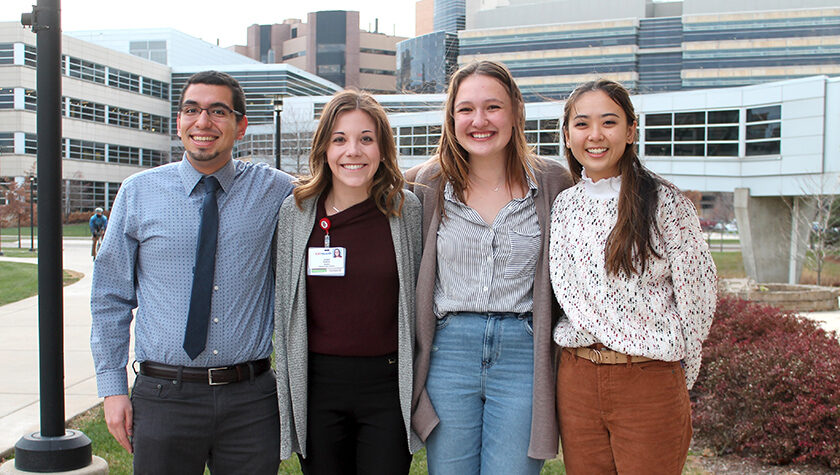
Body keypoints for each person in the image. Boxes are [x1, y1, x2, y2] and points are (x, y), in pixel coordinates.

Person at [90, 70, 294, 474]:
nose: (203, 122)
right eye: (191, 110)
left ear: (241, 126)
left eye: (218, 111)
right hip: (164, 395)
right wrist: (112, 390)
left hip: (250, 400)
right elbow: (109, 298)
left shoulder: (277, 190)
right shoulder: (138, 193)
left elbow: (346, 182)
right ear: (179, 121)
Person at [406, 60, 573, 474]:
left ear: (515, 112)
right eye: (466, 109)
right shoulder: (423, 185)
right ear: (451, 117)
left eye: (492, 107)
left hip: (523, 353)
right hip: (448, 352)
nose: (479, 120)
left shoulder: (554, 183)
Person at [549, 78, 717, 474]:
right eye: (582, 124)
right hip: (576, 380)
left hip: (647, 378)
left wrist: (677, 376)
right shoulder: (563, 206)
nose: (595, 135)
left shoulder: (666, 203)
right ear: (567, 135)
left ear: (630, 131)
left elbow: (699, 299)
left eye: (608, 122)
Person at [274, 89, 422, 474]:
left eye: (366, 139)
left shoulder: (406, 210)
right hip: (318, 385)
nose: (352, 151)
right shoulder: (296, 211)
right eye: (340, 139)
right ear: (324, 147)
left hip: (388, 386)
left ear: (382, 149)